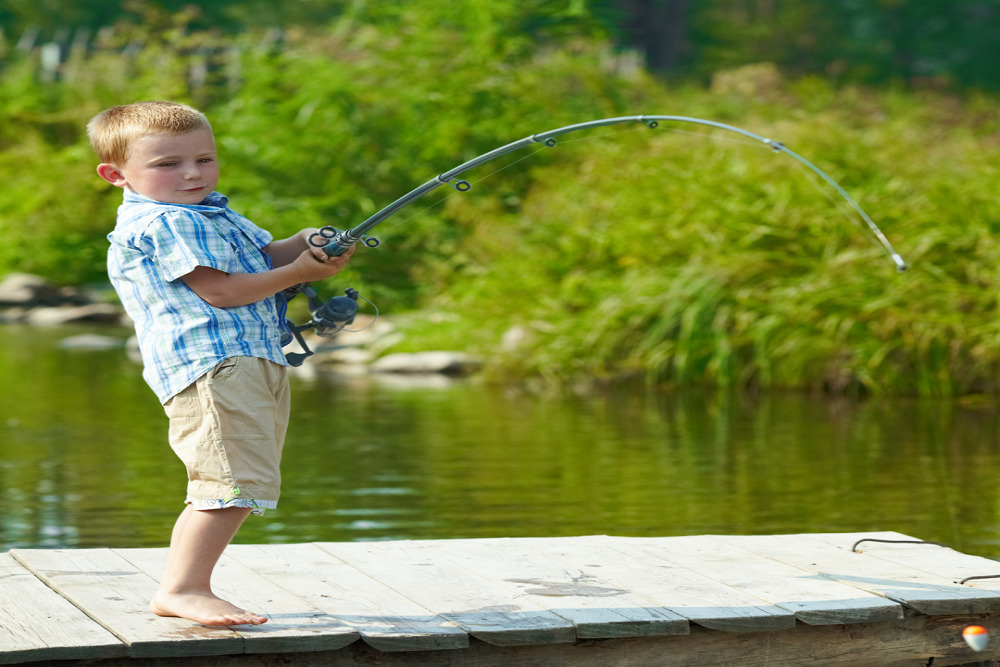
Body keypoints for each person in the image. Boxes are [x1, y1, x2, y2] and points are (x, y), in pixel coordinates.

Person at [87, 100, 355, 626]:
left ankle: (186, 586)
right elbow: (222, 292)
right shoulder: (165, 222)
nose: (192, 173)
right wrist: (299, 270)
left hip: (250, 358)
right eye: (168, 164)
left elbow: (262, 261)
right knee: (228, 483)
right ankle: (183, 589)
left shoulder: (208, 211)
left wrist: (302, 246)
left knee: (243, 480)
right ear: (115, 174)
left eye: (204, 159)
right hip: (214, 364)